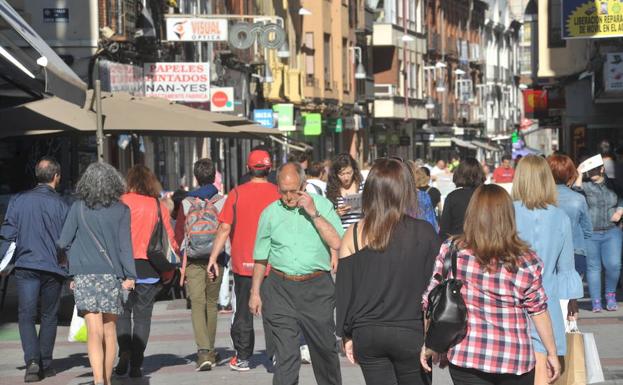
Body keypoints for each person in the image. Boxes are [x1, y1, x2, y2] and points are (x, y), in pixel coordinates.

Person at [421, 184, 561, 385]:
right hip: (514, 358)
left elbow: (431, 298)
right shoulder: (525, 260)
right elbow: (538, 310)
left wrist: (430, 343)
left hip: (467, 354)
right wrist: (552, 353)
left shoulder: (452, 250)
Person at [336, 159, 441, 385]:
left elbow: (344, 289)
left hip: (368, 331)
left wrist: (346, 335)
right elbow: (435, 289)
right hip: (410, 330)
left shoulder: (353, 233)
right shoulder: (424, 232)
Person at [250, 162, 343, 385]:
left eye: (294, 190)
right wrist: (255, 292)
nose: (289, 197)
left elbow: (337, 241)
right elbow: (261, 257)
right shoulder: (270, 213)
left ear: (303, 185)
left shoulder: (322, 205)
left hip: (316, 288)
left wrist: (314, 213)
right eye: (284, 191)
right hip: (280, 289)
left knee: (324, 352)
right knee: (287, 356)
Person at [57, 162, 136, 385]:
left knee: (94, 331)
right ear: (114, 183)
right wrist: (130, 275)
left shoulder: (78, 207)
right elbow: (125, 246)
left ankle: (98, 380)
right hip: (112, 276)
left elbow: (63, 241)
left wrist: (72, 266)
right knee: (110, 331)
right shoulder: (122, 210)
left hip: (84, 275)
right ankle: (108, 380)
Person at [205, 149, 281, 371]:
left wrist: (213, 257)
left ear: (248, 169)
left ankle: (243, 357)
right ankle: (276, 354)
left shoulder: (236, 193)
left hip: (244, 263)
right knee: (274, 311)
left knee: (243, 312)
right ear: (269, 168)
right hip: (273, 263)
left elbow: (224, 228)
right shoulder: (278, 193)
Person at [512, 155, 583, 384]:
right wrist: (572, 301)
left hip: (511, 300)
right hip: (546, 299)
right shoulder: (559, 216)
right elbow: (566, 268)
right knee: (544, 366)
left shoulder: (508, 213)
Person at [0, 157, 69, 382]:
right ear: (56, 177)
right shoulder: (61, 204)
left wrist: (2, 263)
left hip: (26, 265)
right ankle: (46, 363)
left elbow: (7, 234)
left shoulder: (18, 200)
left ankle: (32, 361)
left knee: (26, 315)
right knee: (49, 315)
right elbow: (67, 241)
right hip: (53, 267)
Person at [115, 165, 179, 377]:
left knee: (123, 313)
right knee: (142, 317)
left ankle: (124, 350)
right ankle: (136, 361)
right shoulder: (157, 204)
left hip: (123, 267)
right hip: (149, 268)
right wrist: (171, 268)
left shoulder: (120, 202)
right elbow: (169, 239)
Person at [172, 158, 226, 370]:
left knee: (197, 303)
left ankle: (203, 352)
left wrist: (183, 253)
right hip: (217, 259)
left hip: (193, 259)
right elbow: (227, 229)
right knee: (212, 303)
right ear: (214, 177)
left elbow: (178, 234)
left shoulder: (186, 202)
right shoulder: (222, 201)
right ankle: (210, 350)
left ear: (196, 177)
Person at [574, 154, 623, 312]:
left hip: (612, 231)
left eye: (595, 170)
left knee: (614, 265)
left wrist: (620, 211)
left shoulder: (613, 184)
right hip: (591, 233)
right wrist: (579, 173)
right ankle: (596, 300)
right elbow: (574, 193)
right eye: (590, 171)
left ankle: (610, 294)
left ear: (602, 169)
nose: (592, 173)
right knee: (593, 267)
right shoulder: (585, 186)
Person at [547, 154, 593, 276]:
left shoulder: (541, 199)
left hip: (547, 253)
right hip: (575, 251)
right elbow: (588, 231)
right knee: (572, 292)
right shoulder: (578, 199)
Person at [439, 157, 485, 239]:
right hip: (485, 244)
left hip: (459, 245)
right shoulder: (488, 195)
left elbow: (444, 230)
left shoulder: (453, 197)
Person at [326, 153, 364, 230]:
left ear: (354, 170)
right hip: (342, 234)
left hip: (360, 232)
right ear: (335, 174)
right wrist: (336, 214)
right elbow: (327, 217)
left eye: (349, 173)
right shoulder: (331, 190)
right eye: (342, 174)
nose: (346, 178)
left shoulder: (363, 186)